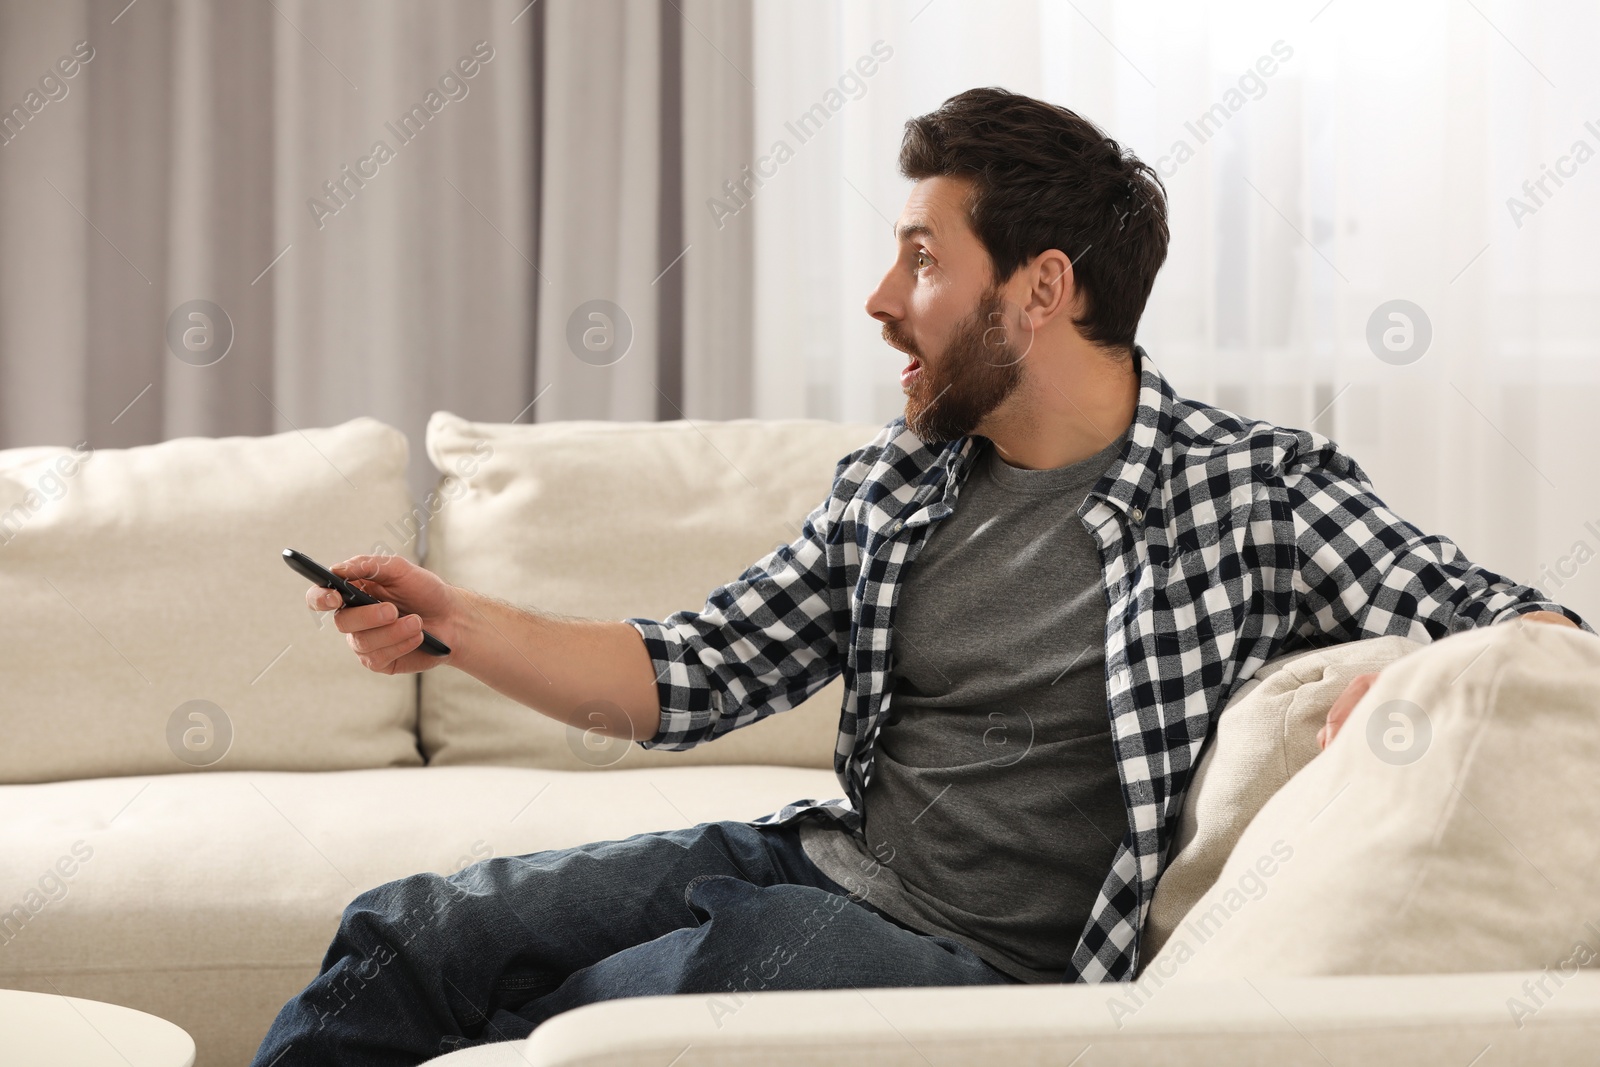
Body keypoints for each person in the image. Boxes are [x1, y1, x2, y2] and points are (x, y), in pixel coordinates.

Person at [251, 87, 1586, 1066]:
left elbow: (1531, 631)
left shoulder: (1256, 491)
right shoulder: (897, 489)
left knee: (637, 1010)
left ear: (1044, 289)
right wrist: (457, 622)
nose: (884, 298)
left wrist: (1426, 674)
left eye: (925, 257)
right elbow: (692, 670)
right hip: (821, 870)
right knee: (409, 934)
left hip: (998, 970)